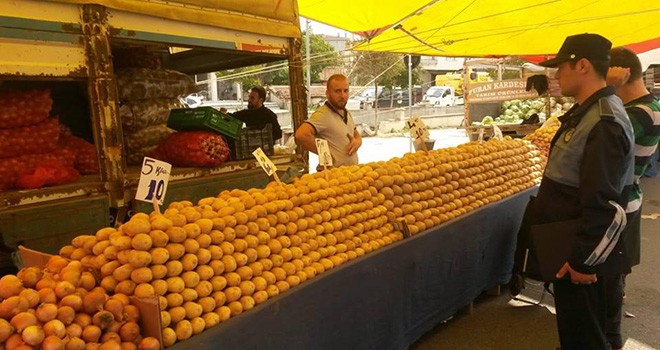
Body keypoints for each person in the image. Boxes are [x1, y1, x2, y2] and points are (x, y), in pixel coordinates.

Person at [535, 33, 635, 349]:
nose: (555, 75)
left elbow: (603, 201)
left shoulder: (604, 120)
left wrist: (582, 262)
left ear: (582, 66)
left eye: (560, 67)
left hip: (578, 253)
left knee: (584, 337)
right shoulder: (588, 111)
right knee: (579, 332)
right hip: (568, 244)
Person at [604, 46, 660, 350]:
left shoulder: (640, 112)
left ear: (621, 72)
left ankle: (610, 339)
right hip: (630, 199)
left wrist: (607, 90)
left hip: (621, 202)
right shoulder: (647, 105)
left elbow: (603, 144)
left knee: (609, 278)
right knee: (614, 276)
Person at [295, 74, 362, 169]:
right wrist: (325, 154)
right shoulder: (322, 114)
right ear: (327, 93)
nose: (342, 95)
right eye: (337, 91)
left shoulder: (346, 112)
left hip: (349, 175)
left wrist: (357, 142)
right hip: (331, 176)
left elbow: (355, 134)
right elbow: (301, 134)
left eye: (345, 91)